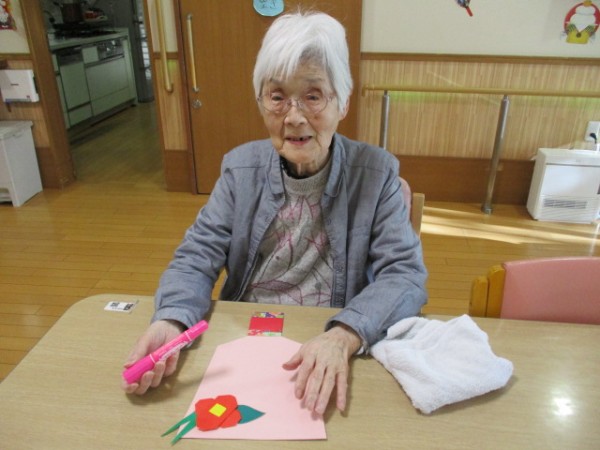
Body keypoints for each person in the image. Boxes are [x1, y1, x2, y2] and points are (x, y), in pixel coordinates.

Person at [122, 10, 428, 415]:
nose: (294, 117)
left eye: (313, 96)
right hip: (246, 332)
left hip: (330, 336)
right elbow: (196, 256)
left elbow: (405, 275)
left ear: (343, 102)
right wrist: (172, 320)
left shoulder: (377, 173)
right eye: (277, 97)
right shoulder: (239, 169)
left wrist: (344, 334)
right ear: (261, 102)